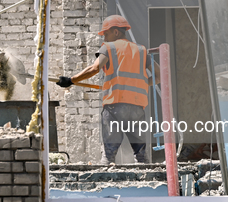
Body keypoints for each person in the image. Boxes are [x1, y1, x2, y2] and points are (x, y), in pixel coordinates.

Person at [57, 15, 160, 164]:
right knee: (141, 155)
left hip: (115, 106)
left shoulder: (109, 48)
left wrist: (71, 80)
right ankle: (148, 181)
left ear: (116, 32)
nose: (104, 38)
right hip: (137, 107)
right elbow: (159, 76)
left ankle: (104, 179)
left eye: (106, 34)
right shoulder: (141, 50)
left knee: (109, 155)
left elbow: (94, 68)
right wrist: (143, 83)